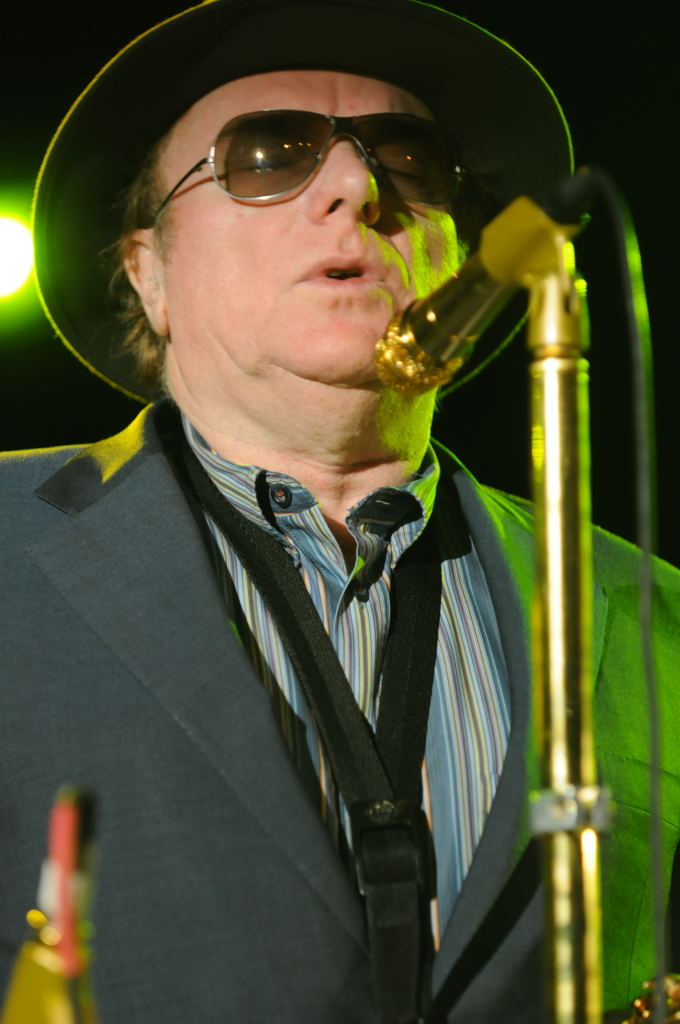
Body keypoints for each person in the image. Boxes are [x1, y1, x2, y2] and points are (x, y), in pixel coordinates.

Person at [1, 1, 679, 1022]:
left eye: (406, 159)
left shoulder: (651, 604)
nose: (359, 187)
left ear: (465, 256)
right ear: (148, 272)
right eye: (267, 154)